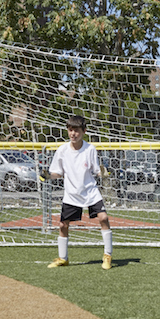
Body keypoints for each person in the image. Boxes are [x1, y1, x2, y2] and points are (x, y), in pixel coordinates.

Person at [43, 114, 112, 270]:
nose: (73, 133)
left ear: (84, 131)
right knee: (63, 225)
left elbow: (96, 171)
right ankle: (63, 258)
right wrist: (48, 175)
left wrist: (103, 172)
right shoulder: (62, 151)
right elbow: (57, 173)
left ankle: (107, 255)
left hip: (90, 191)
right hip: (72, 193)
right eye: (70, 130)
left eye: (76, 130)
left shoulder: (90, 149)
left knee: (103, 218)